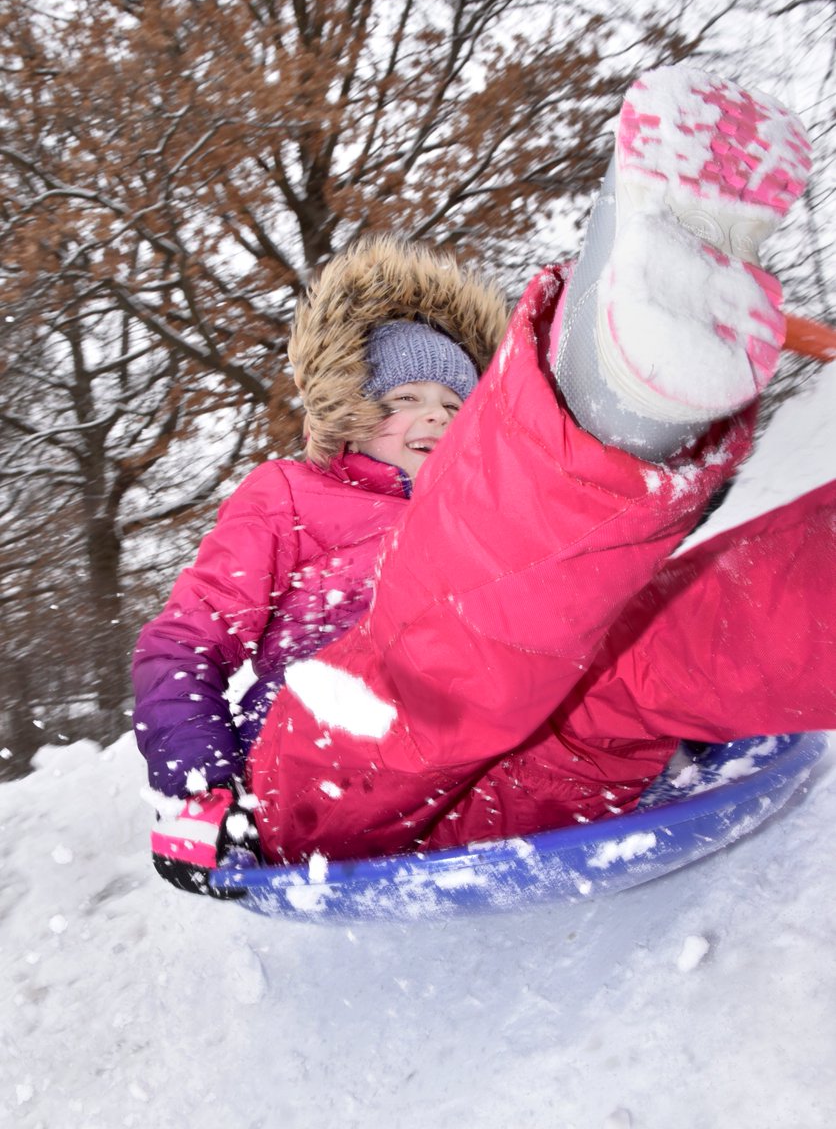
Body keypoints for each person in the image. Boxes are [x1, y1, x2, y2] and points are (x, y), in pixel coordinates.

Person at [134, 64, 834, 893]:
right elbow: (182, 645)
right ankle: (618, 395)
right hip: (336, 784)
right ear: (347, 409)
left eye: (454, 401)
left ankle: (631, 385)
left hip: (533, 777)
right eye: (402, 400)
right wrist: (203, 792)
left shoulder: (479, 488)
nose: (433, 417)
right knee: (450, 627)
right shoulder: (292, 495)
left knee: (661, 648)